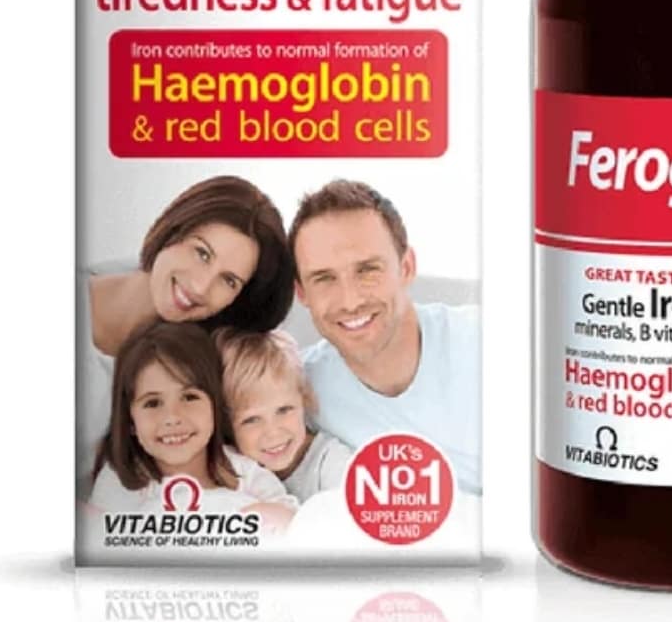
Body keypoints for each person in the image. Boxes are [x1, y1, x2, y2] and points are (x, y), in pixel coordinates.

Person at [78, 175, 295, 484]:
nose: (201, 286)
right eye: (202, 253)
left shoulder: (203, 364)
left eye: (228, 280)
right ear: (174, 229)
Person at [291, 180, 481, 493]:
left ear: (406, 267)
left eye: (367, 270)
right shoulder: (298, 390)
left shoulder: (486, 343)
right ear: (302, 293)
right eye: (324, 278)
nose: (350, 301)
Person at [89, 320, 297, 529]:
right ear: (130, 420)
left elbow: (290, 518)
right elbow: (102, 536)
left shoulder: (240, 470)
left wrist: (264, 515)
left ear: (215, 405)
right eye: (153, 403)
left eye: (189, 397)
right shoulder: (122, 480)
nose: (172, 417)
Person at [215, 327, 352, 504]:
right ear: (227, 425)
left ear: (303, 399)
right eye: (251, 420)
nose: (273, 433)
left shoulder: (332, 463)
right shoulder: (233, 468)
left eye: (284, 410)